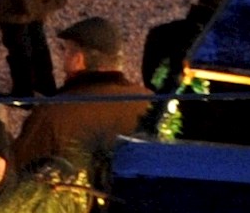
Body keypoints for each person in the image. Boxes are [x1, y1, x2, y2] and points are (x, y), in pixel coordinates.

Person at [17, 17, 157, 164]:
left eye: (65, 50)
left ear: (78, 60)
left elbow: (21, 168)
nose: (62, 57)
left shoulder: (52, 114)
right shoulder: (150, 102)